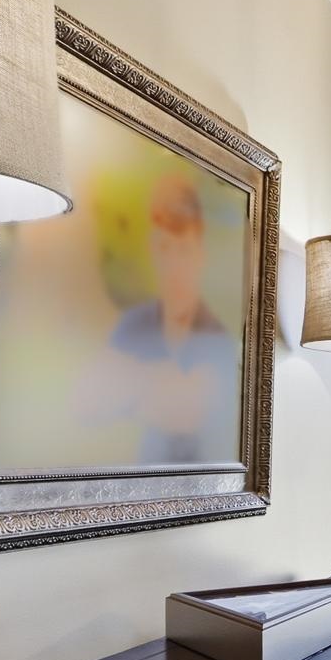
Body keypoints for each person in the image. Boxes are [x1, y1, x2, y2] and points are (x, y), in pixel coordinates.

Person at [74, 174, 239, 464]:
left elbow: (190, 412)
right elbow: (87, 404)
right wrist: (158, 386)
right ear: (153, 252)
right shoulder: (134, 326)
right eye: (165, 249)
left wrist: (131, 385)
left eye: (184, 250)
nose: (175, 265)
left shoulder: (218, 338)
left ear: (200, 255)